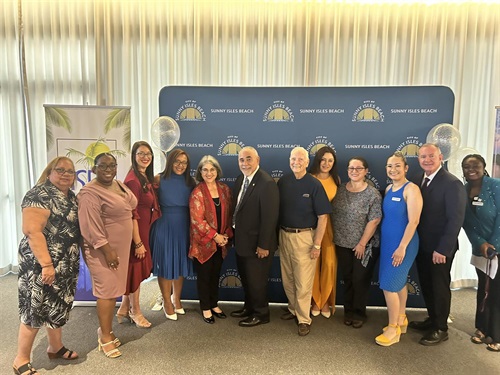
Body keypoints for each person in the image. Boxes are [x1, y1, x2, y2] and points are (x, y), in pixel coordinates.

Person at [12, 157, 81, 375]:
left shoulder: (72, 197)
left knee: (57, 305)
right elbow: (32, 231)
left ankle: (55, 347)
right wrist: (47, 265)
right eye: (60, 170)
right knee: (36, 308)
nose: (65, 174)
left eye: (70, 171)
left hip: (65, 263)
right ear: (49, 171)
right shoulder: (38, 194)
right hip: (40, 263)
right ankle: (20, 360)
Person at [78, 153, 138, 358]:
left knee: (113, 291)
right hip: (103, 250)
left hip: (120, 248)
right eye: (103, 166)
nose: (108, 169)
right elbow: (89, 227)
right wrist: (107, 250)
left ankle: (107, 330)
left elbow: (130, 208)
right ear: (94, 169)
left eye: (112, 165)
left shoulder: (119, 184)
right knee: (106, 291)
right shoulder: (89, 193)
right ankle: (104, 336)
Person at [408, 143, 466, 345]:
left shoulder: (452, 183)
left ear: (440, 157)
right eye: (423, 156)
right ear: (419, 159)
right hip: (421, 246)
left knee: (439, 287)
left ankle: (441, 328)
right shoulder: (417, 179)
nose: (427, 160)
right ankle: (432, 319)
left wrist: (443, 248)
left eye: (431, 156)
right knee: (427, 284)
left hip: (440, 248)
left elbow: (455, 220)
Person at [278, 147, 331, 336]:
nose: (296, 162)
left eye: (300, 159)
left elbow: (323, 217)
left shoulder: (314, 184)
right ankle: (293, 309)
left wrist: (317, 244)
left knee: (303, 281)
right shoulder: (283, 182)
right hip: (284, 235)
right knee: (288, 277)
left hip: (305, 237)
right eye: (293, 158)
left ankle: (303, 318)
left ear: (307, 162)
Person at [375, 151, 422, 346]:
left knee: (389, 286)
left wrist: (402, 247)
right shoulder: (388, 189)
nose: (393, 169)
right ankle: (401, 318)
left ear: (406, 168)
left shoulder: (411, 189)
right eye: (389, 166)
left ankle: (393, 329)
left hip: (404, 244)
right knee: (399, 283)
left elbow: (414, 221)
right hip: (388, 244)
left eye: (397, 166)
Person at [230, 146, 279, 327]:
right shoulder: (239, 180)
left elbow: (270, 217)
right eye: (241, 160)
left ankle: (261, 314)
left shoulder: (266, 183)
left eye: (248, 159)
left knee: (257, 282)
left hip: (258, 244)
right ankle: (249, 308)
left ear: (257, 160)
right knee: (247, 279)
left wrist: (264, 245)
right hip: (242, 241)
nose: (245, 163)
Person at [331, 156, 382, 329]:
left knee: (360, 279)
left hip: (364, 246)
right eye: (351, 168)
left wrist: (362, 243)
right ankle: (348, 311)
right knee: (347, 279)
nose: (354, 171)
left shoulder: (372, 193)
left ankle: (359, 313)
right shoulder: (339, 190)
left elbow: (374, 220)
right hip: (341, 243)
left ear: (366, 171)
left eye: (358, 168)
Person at [115, 141, 160, 328]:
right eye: (141, 153)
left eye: (148, 154)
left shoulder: (142, 177)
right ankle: (136, 311)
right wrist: (138, 242)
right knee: (136, 269)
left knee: (135, 270)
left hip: (144, 229)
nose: (145, 157)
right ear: (134, 156)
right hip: (136, 231)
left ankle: (123, 309)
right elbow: (130, 212)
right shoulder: (133, 180)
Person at [150, 149, 195, 321]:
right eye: (177, 161)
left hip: (184, 224)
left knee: (180, 262)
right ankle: (166, 302)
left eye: (184, 162)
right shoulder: (159, 179)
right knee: (166, 263)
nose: (180, 165)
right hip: (164, 224)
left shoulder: (191, 181)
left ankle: (177, 299)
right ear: (170, 162)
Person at [461, 154, 500, 352]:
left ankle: (497, 334)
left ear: (483, 166)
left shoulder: (495, 186)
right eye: (466, 166)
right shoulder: (464, 190)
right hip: (481, 250)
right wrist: (480, 244)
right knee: (483, 290)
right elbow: (466, 223)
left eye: (475, 165)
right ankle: (482, 328)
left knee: (496, 292)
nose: (471, 169)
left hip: (497, 248)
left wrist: (493, 244)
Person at [189, 155, 233, 324]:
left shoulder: (224, 189)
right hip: (204, 244)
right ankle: (206, 307)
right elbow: (197, 221)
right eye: (205, 169)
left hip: (221, 243)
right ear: (200, 172)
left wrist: (225, 236)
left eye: (212, 169)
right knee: (205, 276)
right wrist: (215, 236)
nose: (209, 173)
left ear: (217, 171)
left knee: (216, 274)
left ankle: (214, 304)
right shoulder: (197, 192)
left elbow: (229, 214)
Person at [309, 146, 340, 319]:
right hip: (311, 227)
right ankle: (315, 301)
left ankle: (327, 301)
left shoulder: (336, 179)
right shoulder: (310, 178)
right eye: (323, 159)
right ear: (318, 160)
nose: (326, 163)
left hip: (330, 228)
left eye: (330, 161)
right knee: (312, 265)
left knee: (329, 264)